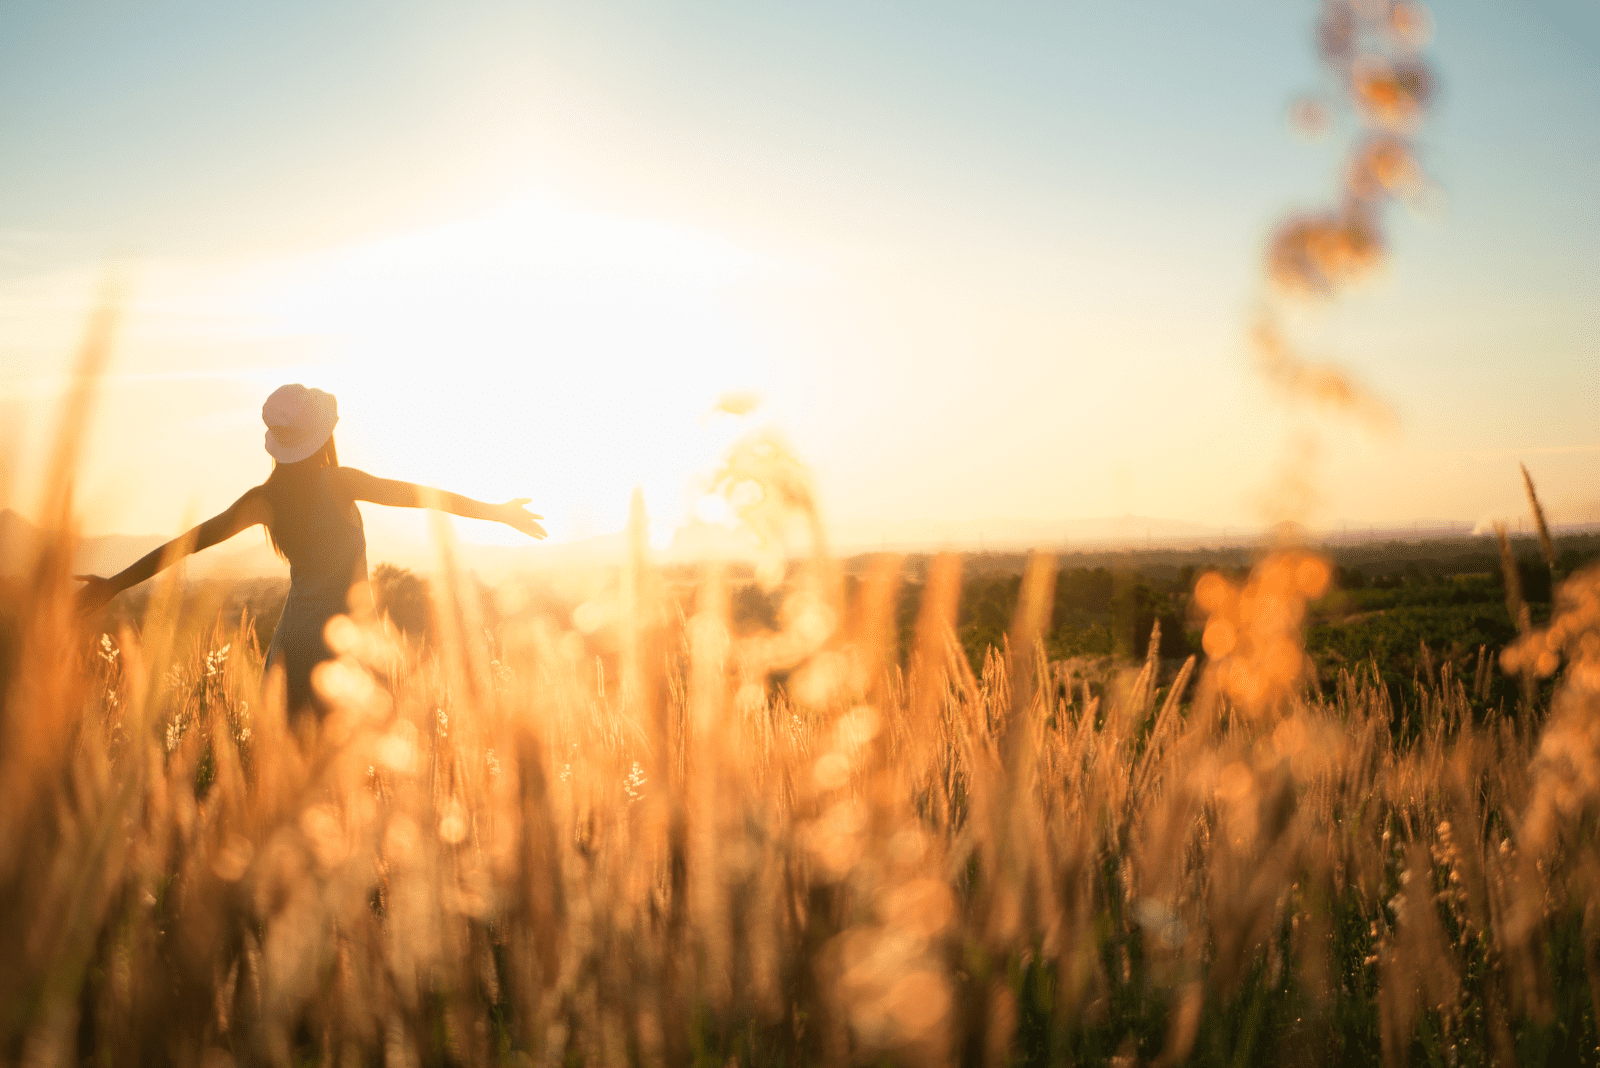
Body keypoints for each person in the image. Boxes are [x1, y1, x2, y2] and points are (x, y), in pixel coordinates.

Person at [75, 383, 545, 714]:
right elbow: (424, 496)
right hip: (344, 647)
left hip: (291, 647)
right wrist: (497, 511)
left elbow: (186, 545)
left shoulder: (264, 501)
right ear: (325, 435)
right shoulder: (339, 483)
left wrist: (113, 586)